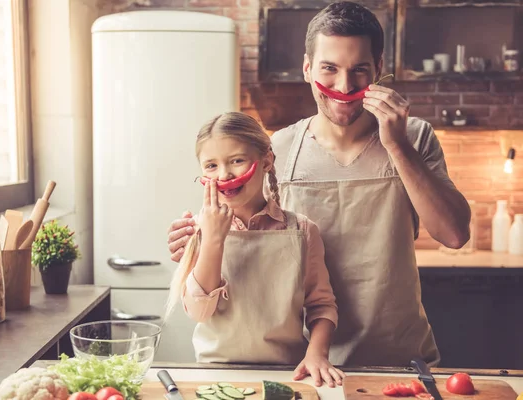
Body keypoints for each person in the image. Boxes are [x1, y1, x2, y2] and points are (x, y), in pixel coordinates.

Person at [166, 1, 471, 368]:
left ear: (378, 70)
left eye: (359, 70)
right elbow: (242, 227)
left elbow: (454, 235)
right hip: (304, 363)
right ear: (308, 68)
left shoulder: (414, 138)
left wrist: (396, 145)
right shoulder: (278, 147)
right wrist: (197, 237)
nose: (344, 86)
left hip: (398, 357)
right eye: (330, 68)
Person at [164, 111, 345, 387]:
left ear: (267, 161)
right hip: (215, 375)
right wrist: (213, 238)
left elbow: (322, 307)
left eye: (237, 161)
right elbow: (199, 313)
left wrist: (317, 353)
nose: (224, 175)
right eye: (211, 166)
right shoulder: (197, 229)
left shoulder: (302, 230)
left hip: (288, 374)